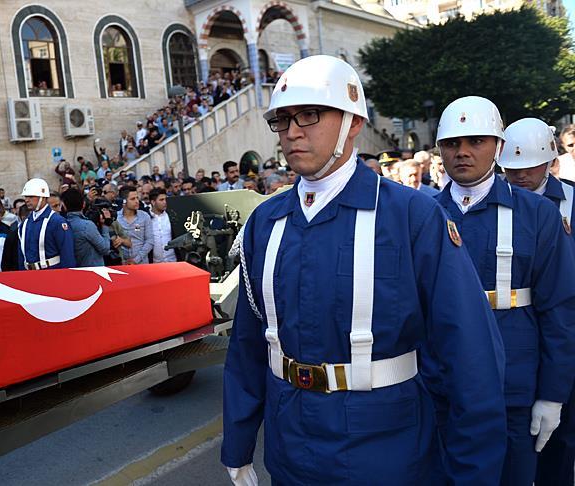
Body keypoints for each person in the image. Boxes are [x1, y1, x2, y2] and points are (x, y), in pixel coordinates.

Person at [223, 55, 508, 485]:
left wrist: (475, 472)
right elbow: (248, 344)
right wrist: (239, 443)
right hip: (290, 448)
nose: (292, 132)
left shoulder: (411, 216)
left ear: (353, 124)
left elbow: (470, 354)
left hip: (386, 452)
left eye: (309, 115)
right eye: (282, 120)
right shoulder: (265, 222)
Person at [432, 97, 575, 486]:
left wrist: (552, 394)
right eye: (452, 143)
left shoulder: (537, 213)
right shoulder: (421, 212)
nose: (462, 152)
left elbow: (559, 309)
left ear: (497, 146)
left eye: (476, 141)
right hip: (439, 388)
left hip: (512, 389)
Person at [494, 117, 575, 486]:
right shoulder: (498, 202)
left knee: (560, 439)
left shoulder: (571, 199)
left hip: (566, 328)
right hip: (524, 330)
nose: (521, 175)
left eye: (530, 167)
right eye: (512, 168)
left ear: (550, 162)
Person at [18, 178, 76, 270]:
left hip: (53, 274)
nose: (27, 200)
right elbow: (22, 255)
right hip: (29, 276)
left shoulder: (57, 222)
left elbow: (67, 255)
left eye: (31, 196)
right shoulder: (25, 223)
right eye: (26, 197)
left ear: (43, 197)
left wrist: (67, 279)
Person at [61, 188, 114, 267]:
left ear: (64, 206)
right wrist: (105, 225)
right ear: (83, 204)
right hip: (92, 272)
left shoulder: (61, 224)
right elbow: (105, 249)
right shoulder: (86, 226)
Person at [116, 186, 152, 265]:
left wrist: (136, 260)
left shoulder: (144, 216)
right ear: (124, 202)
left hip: (142, 264)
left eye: (137, 198)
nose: (137, 201)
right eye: (132, 199)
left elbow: (149, 241)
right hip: (122, 265)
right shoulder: (116, 218)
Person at [149, 188, 176, 263]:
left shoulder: (171, 215)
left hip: (173, 260)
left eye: (165, 199)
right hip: (154, 263)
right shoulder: (146, 217)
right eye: (161, 200)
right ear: (153, 202)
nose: (165, 202)